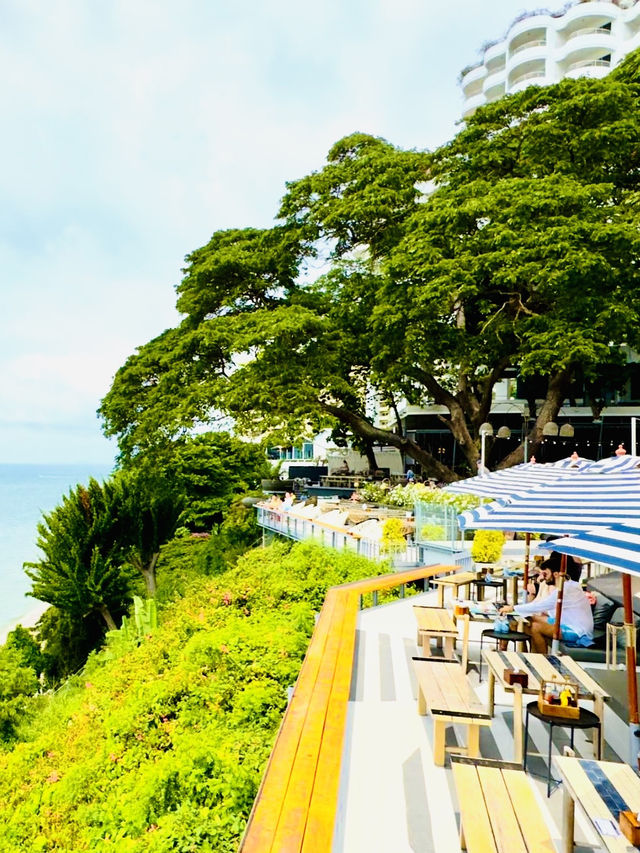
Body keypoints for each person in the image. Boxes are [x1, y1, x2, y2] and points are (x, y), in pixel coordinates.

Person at [499, 556, 593, 653]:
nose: (543, 577)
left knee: (535, 627)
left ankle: (541, 660)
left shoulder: (567, 589)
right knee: (529, 620)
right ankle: (527, 655)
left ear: (556, 574)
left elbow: (542, 605)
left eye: (545, 574)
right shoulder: (562, 587)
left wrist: (512, 608)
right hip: (562, 622)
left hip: (577, 631)